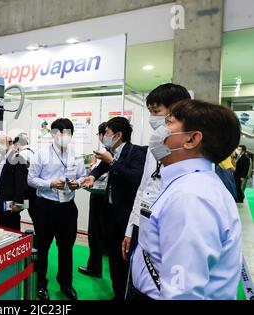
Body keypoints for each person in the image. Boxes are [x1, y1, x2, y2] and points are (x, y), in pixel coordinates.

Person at [128, 100, 243, 300]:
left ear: (191, 139)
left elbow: (183, 292)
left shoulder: (191, 197)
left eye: (169, 122)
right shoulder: (187, 184)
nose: (160, 130)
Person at [121, 84, 191, 263]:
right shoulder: (155, 147)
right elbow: (142, 189)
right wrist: (131, 229)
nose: (153, 117)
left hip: (167, 231)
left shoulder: (190, 153)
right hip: (143, 223)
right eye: (150, 111)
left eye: (157, 111)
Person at [82, 117, 146, 300]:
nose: (104, 136)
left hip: (126, 216)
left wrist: (113, 163)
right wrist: (92, 177)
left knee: (125, 257)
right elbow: (100, 168)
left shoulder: (136, 152)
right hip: (109, 212)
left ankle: (127, 294)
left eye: (107, 133)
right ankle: (118, 293)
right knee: (113, 257)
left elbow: (135, 178)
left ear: (118, 135)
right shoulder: (110, 153)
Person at [28, 118, 86, 301]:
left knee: (66, 248)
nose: (65, 136)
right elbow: (31, 179)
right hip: (45, 207)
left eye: (69, 132)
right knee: (42, 247)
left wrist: (79, 183)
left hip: (68, 208)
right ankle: (40, 283)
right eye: (62, 132)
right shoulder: (41, 154)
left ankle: (65, 282)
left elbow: (83, 177)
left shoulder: (76, 155)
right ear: (53, 134)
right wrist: (50, 183)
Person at [78, 122, 110, 279]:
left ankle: (95, 268)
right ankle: (95, 266)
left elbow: (101, 177)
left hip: (100, 197)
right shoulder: (107, 152)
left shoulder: (106, 154)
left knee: (96, 233)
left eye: (101, 134)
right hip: (104, 197)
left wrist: (90, 167)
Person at [0, 135, 27, 231]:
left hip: (11, 203)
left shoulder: (17, 158)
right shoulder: (3, 158)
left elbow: (21, 183)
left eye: (0, 143)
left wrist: (18, 204)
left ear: (10, 143)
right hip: (0, 201)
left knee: (11, 229)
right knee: (1, 227)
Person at [13, 132, 37, 226]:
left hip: (27, 190)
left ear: (18, 144)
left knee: (18, 211)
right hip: (35, 188)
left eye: (15, 146)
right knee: (35, 215)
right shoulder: (34, 150)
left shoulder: (21, 154)